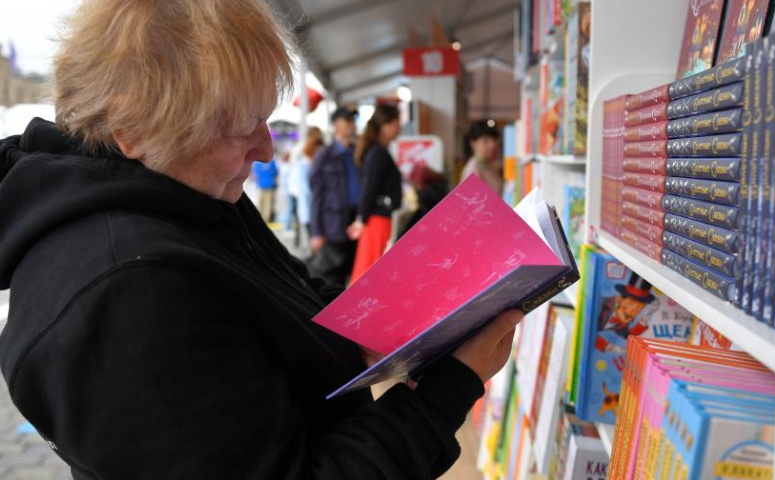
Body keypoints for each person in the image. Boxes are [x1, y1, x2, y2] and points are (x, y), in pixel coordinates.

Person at [0, 1, 523, 478]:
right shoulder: (123, 297)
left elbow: (284, 299)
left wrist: (378, 323)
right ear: (133, 127)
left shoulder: (185, 187)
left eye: (265, 120)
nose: (268, 150)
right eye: (241, 128)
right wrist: (452, 385)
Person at [348, 104, 403, 282]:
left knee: (370, 272)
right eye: (395, 123)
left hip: (376, 219)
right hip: (377, 221)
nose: (398, 127)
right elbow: (369, 188)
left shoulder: (377, 152)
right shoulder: (378, 153)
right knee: (369, 275)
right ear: (384, 125)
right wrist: (361, 219)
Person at [308, 107, 360, 286]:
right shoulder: (325, 155)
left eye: (352, 120)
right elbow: (316, 195)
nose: (351, 124)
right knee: (333, 277)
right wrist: (316, 232)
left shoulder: (358, 152)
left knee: (354, 274)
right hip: (333, 225)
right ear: (335, 125)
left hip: (357, 222)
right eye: (347, 120)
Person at [288, 126, 324, 249]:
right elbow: (304, 191)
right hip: (310, 210)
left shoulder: (313, 164)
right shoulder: (303, 165)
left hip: (315, 210)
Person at [460, 120, 502, 196]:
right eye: (486, 141)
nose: (492, 145)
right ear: (473, 143)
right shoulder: (473, 169)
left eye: (494, 140)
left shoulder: (488, 165)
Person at [252, 157, 278, 223]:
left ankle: (259, 219)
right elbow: (275, 172)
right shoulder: (271, 162)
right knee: (268, 204)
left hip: (260, 185)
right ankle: (266, 220)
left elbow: (255, 174)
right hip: (270, 185)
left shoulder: (257, 163)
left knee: (260, 203)